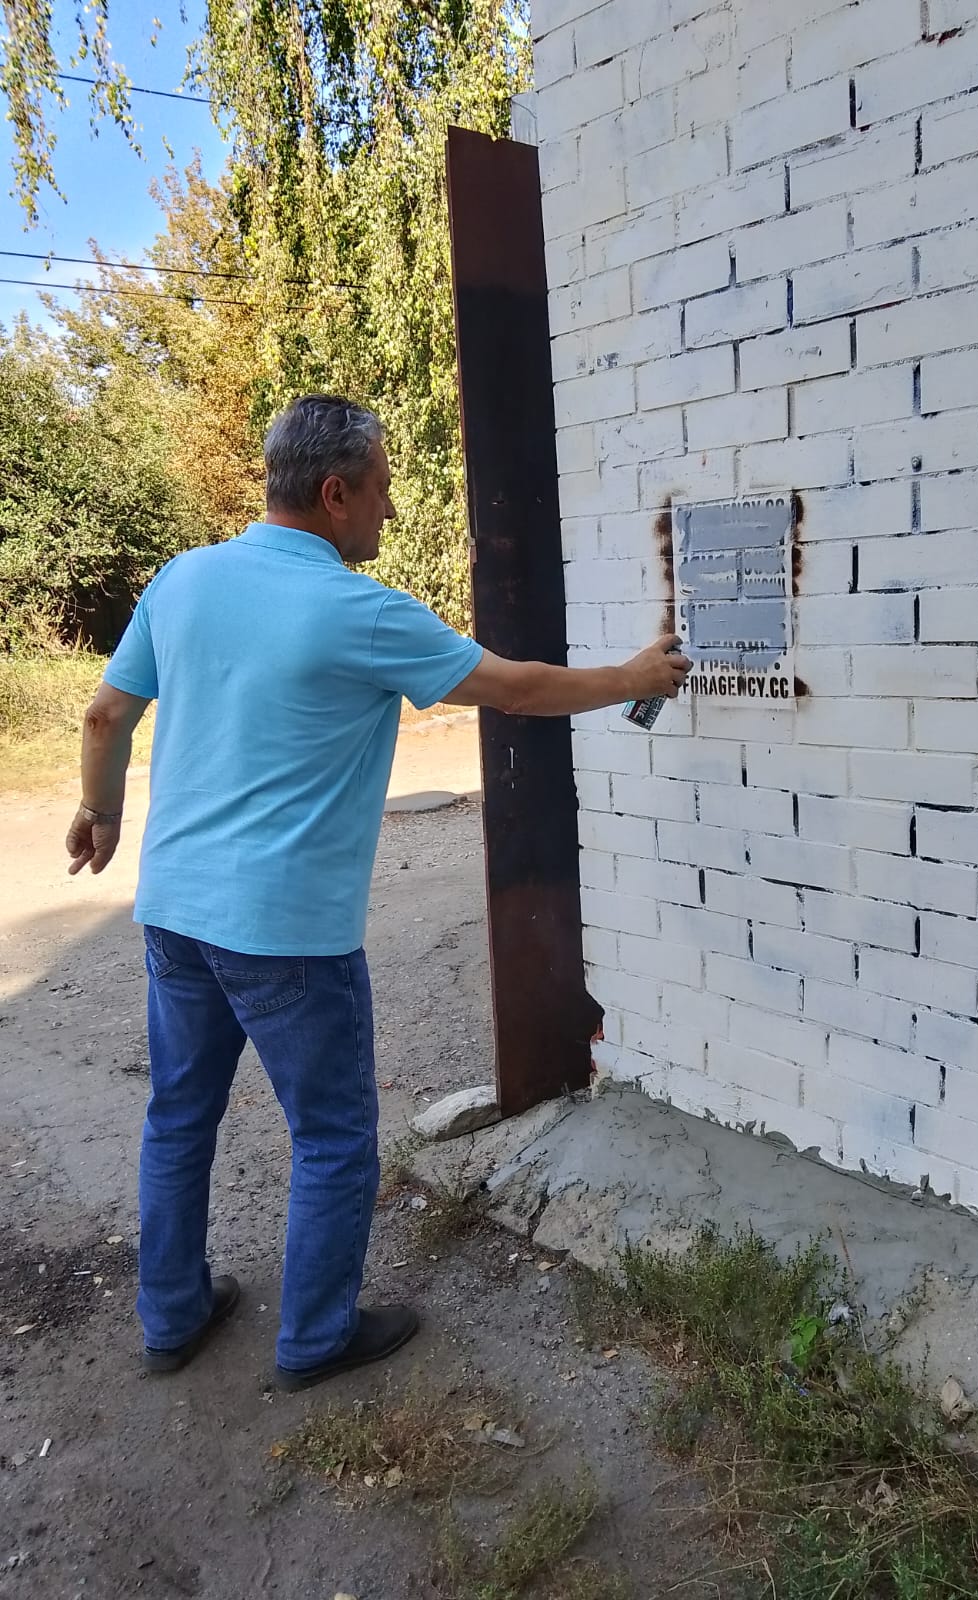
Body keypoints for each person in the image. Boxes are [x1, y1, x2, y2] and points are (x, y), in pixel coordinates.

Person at [66, 393, 690, 1391]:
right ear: (335, 490)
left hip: (174, 912)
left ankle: (172, 1317)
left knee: (179, 1117)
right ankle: (315, 1337)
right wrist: (631, 676)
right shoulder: (357, 612)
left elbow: (105, 716)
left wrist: (99, 814)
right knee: (332, 1137)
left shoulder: (182, 580)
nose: (391, 513)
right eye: (386, 492)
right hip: (284, 933)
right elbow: (515, 689)